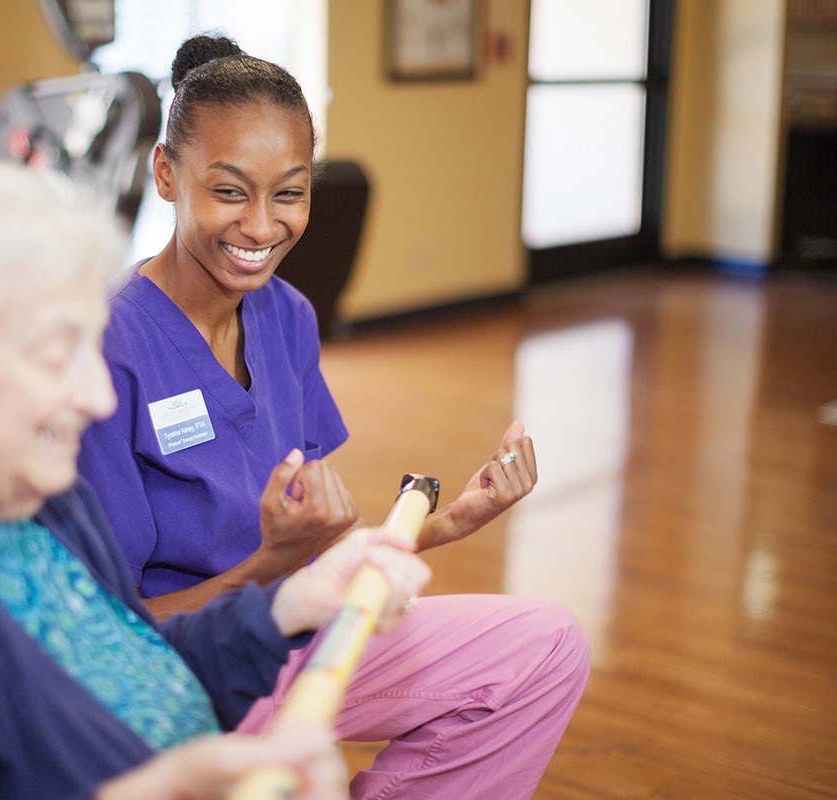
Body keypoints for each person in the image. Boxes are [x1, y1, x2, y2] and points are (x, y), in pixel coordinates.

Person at [0, 160, 432, 800]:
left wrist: (296, 599)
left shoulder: (39, 495)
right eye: (55, 354)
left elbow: (137, 662)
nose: (100, 397)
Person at [77, 35, 591, 799]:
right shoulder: (106, 349)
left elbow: (311, 547)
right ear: (164, 174)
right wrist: (271, 571)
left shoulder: (287, 317)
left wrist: (443, 525)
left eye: (289, 193)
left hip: (302, 637)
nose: (261, 227)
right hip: (187, 676)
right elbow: (109, 637)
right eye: (229, 192)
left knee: (547, 647)